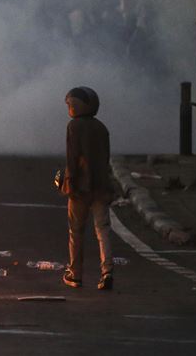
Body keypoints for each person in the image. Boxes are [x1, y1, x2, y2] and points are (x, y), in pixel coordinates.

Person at [60, 87, 114, 291]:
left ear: (77, 105)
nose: (68, 108)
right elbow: (106, 158)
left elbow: (72, 158)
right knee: (103, 230)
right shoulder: (101, 128)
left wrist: (69, 182)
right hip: (101, 186)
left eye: (69, 104)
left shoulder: (74, 126)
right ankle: (107, 271)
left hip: (80, 187)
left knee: (76, 231)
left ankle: (75, 274)